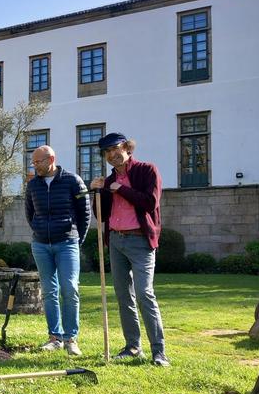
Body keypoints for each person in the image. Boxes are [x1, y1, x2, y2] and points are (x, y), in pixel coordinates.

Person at [90, 133, 170, 367]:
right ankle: (133, 347)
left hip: (140, 241)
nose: (112, 155)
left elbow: (150, 202)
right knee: (124, 296)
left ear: (127, 148)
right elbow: (102, 214)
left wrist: (118, 188)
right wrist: (97, 191)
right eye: (107, 152)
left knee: (145, 293)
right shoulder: (108, 180)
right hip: (116, 240)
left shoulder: (147, 170)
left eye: (115, 149)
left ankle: (159, 352)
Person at [25, 145, 90, 356]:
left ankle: (71, 338)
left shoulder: (73, 181)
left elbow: (84, 214)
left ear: (51, 158)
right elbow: (29, 213)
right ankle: (55, 337)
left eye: (38, 162)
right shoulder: (33, 185)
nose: (35, 166)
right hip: (41, 244)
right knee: (49, 291)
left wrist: (77, 240)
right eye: (33, 163)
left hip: (67, 243)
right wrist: (38, 230)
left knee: (70, 288)